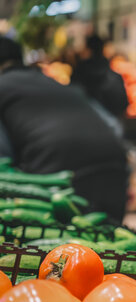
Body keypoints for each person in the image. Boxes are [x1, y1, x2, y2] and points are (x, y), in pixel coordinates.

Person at [0, 36, 128, 221]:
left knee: (58, 249)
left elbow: (4, 166)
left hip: (57, 183)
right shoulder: (55, 82)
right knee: (106, 243)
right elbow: (112, 124)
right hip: (115, 171)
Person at [71, 34, 128, 119]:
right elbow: (123, 104)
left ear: (87, 49)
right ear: (103, 49)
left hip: (84, 123)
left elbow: (72, 100)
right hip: (110, 125)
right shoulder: (115, 77)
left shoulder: (79, 74)